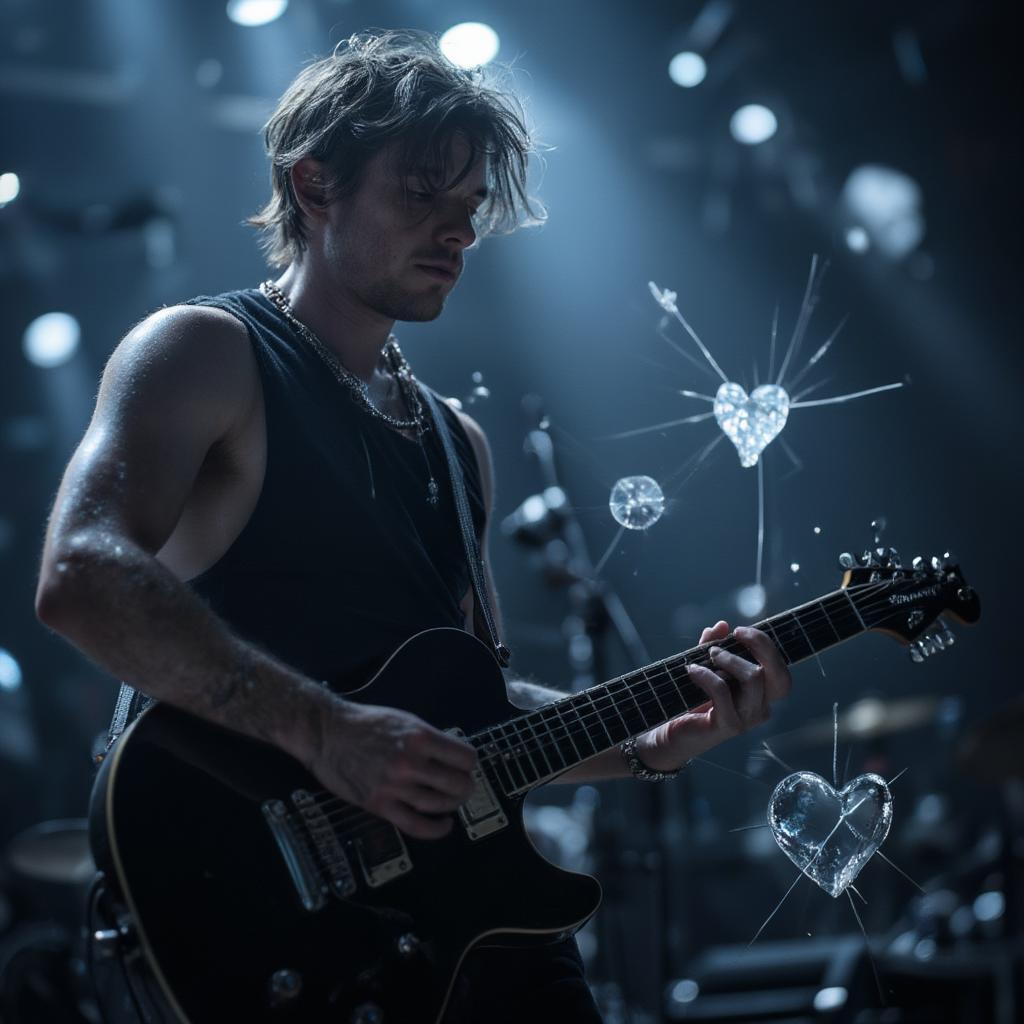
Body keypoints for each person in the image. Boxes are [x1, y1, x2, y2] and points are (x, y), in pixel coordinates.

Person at [34, 30, 791, 1023]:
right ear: (315, 186)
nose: (458, 231)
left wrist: (648, 737)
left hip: (456, 927)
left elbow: (473, 715)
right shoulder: (204, 351)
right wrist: (326, 732)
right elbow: (81, 574)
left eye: (469, 207)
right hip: (250, 905)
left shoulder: (453, 439)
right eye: (422, 192)